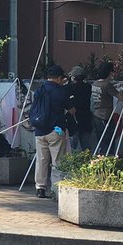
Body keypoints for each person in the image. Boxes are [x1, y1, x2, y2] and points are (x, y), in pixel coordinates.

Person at [31, 65, 71, 199]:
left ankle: (40, 188)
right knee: (57, 161)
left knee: (41, 160)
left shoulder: (39, 90)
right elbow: (71, 109)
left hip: (39, 130)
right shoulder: (61, 91)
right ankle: (56, 189)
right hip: (56, 130)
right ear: (59, 78)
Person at [92, 61, 123, 154]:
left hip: (96, 115)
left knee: (101, 141)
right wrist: (121, 89)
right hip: (105, 117)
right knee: (108, 142)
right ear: (109, 73)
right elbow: (121, 98)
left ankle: (100, 159)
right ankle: (108, 160)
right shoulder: (107, 85)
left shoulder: (95, 83)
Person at [66, 66, 93, 152]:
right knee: (86, 147)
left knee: (72, 147)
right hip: (86, 119)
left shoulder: (69, 88)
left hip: (73, 120)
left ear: (73, 77)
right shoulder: (88, 87)